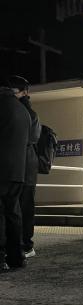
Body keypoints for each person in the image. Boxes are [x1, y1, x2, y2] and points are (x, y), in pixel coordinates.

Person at [7, 76, 41, 258]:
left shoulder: (29, 113)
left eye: (15, 91)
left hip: (26, 166)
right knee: (16, 208)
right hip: (19, 165)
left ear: (25, 92)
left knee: (25, 207)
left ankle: (27, 245)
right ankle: (17, 245)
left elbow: (32, 137)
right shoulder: (19, 110)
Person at [0, 83, 31, 272]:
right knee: (13, 213)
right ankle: (16, 257)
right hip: (18, 172)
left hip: (1, 168)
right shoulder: (23, 111)